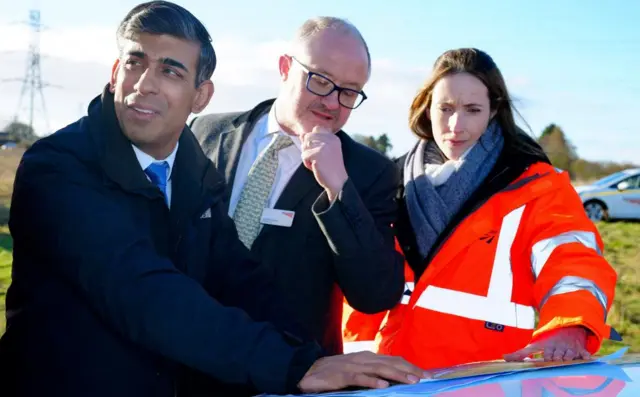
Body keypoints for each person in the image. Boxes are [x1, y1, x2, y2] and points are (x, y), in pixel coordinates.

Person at [0, 2, 427, 396]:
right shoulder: (58, 167)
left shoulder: (190, 165)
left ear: (200, 96)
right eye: (135, 62)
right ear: (115, 72)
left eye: (170, 71)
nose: (145, 85)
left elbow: (237, 274)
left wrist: (312, 360)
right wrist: (291, 364)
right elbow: (143, 291)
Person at [344, 48, 621, 369]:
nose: (455, 125)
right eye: (445, 108)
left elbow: (572, 260)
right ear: (427, 108)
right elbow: (361, 278)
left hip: (484, 377)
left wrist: (571, 324)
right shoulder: (391, 179)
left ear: (493, 111)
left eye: (472, 110)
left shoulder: (535, 185)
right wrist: (349, 359)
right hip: (390, 375)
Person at [189, 17, 405, 355]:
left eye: (348, 92)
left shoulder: (369, 172)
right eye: (320, 81)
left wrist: (339, 191)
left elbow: (375, 294)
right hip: (190, 364)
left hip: (294, 376)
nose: (333, 103)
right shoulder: (205, 132)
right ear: (285, 67)